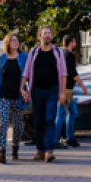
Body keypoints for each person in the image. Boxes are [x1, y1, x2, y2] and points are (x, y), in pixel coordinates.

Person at [21, 25, 67, 162]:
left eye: (49, 33)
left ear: (51, 36)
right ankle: (40, 150)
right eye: (44, 33)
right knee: (38, 121)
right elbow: (26, 71)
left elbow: (64, 74)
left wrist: (63, 92)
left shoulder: (58, 52)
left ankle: (49, 150)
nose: (47, 35)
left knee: (49, 119)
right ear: (39, 36)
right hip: (37, 90)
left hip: (53, 90)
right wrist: (22, 87)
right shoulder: (33, 52)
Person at [0, 32, 27, 163]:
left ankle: (15, 147)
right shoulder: (2, 57)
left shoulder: (23, 57)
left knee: (17, 125)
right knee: (3, 123)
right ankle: (1, 151)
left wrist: (28, 91)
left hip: (18, 96)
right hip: (3, 95)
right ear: (7, 43)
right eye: (13, 40)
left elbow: (28, 75)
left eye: (17, 40)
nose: (16, 43)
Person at [55, 35, 87, 148]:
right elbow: (73, 73)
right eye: (74, 41)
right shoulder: (70, 56)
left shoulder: (60, 54)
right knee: (64, 113)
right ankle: (62, 139)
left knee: (68, 113)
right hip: (67, 89)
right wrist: (83, 86)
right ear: (70, 43)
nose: (76, 44)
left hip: (61, 88)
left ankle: (67, 138)